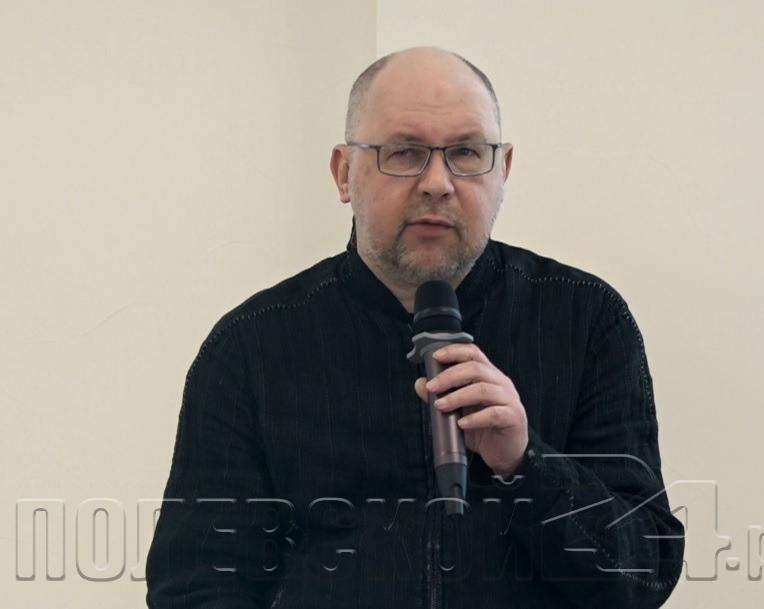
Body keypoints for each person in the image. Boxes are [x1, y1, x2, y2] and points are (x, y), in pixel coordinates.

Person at [146, 47, 685, 608]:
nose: (437, 183)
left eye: (466, 153)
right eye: (404, 153)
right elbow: (196, 586)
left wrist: (527, 464)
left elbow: (643, 576)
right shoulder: (252, 347)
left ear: (503, 171)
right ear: (344, 173)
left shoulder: (586, 320)